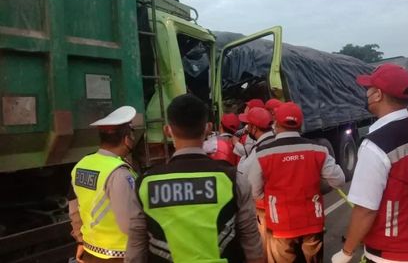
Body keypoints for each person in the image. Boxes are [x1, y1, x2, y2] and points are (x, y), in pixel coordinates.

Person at [125, 94, 264, 263]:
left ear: (167, 130)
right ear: (207, 128)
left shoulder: (145, 185)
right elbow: (253, 248)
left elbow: (135, 251)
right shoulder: (234, 180)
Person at [332, 63, 408, 263]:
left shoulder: (375, 145)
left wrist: (347, 252)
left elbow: (365, 210)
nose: (366, 95)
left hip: (389, 254)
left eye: (368, 90)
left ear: (378, 95)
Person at [249, 101, 345, 263]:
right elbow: (339, 180)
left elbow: (254, 191)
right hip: (312, 224)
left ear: (276, 124)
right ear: (300, 125)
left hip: (280, 226)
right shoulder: (317, 149)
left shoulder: (262, 153)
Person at [69, 106, 139, 263]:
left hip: (90, 250)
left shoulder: (82, 165)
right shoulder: (119, 173)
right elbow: (129, 224)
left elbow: (74, 208)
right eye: (132, 136)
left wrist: (80, 240)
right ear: (127, 139)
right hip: (119, 255)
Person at [237, 107, 277, 260]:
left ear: (254, 128)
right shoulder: (277, 141)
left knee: (267, 252)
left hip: (265, 212)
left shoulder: (258, 152)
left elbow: (252, 188)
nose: (246, 128)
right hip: (284, 209)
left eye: (247, 125)